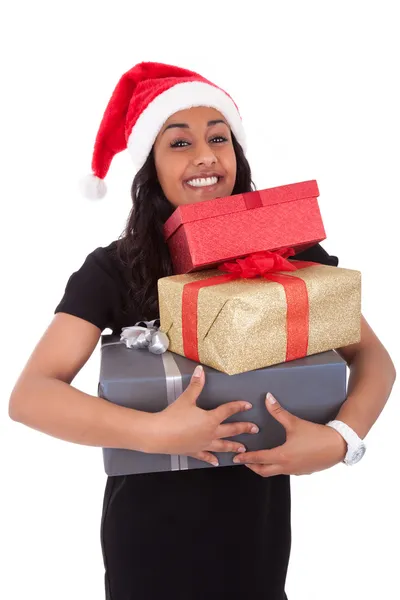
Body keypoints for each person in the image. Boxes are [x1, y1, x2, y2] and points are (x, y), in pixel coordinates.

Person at [8, 62, 396, 600]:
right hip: (146, 553)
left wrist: (341, 440)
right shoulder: (115, 270)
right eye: (179, 142)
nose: (205, 155)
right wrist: (155, 433)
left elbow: (374, 358)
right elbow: (30, 397)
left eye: (219, 137)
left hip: (255, 551)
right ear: (151, 166)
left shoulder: (293, 256)